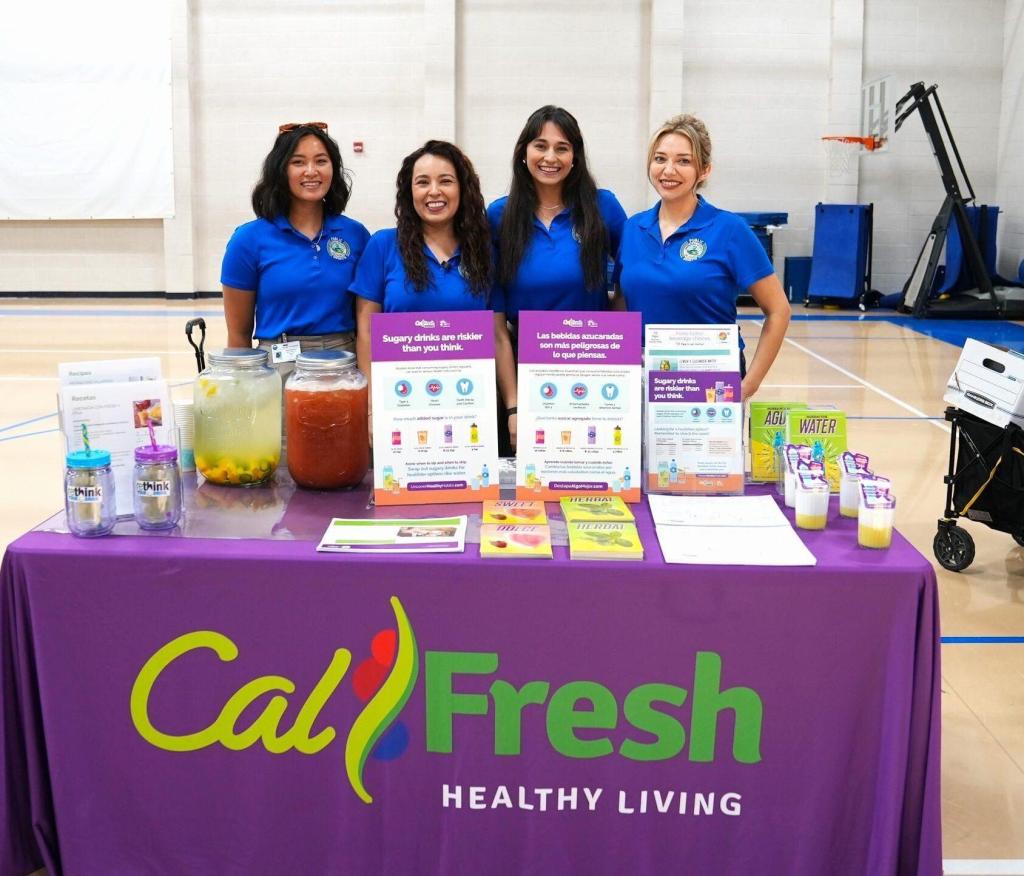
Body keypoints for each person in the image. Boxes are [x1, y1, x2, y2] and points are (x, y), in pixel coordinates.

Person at [351, 140, 518, 448]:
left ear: (463, 189)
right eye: (422, 182)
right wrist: (372, 408)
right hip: (402, 407)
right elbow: (366, 334)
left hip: (470, 410)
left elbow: (497, 336)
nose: (434, 192)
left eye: (446, 181)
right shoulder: (383, 246)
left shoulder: (484, 254)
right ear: (409, 192)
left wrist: (513, 407)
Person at [614, 114, 791, 399]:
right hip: (646, 380)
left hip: (712, 383)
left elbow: (779, 310)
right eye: (660, 159)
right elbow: (622, 303)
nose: (668, 170)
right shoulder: (633, 228)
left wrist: (751, 383)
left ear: (704, 170)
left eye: (683, 161)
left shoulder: (730, 230)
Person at [220, 122, 370, 377]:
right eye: (298, 162)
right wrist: (241, 390)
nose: (311, 171)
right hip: (278, 367)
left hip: (345, 364)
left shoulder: (356, 235)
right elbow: (238, 333)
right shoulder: (248, 239)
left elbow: (370, 322)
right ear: (281, 170)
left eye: (321, 161)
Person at [488, 105, 626, 326]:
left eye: (562, 148)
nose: (550, 157)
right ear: (524, 152)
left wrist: (617, 333)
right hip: (522, 354)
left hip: (592, 351)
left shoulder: (603, 206)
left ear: (575, 157)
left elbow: (632, 273)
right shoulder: (498, 216)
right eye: (540, 146)